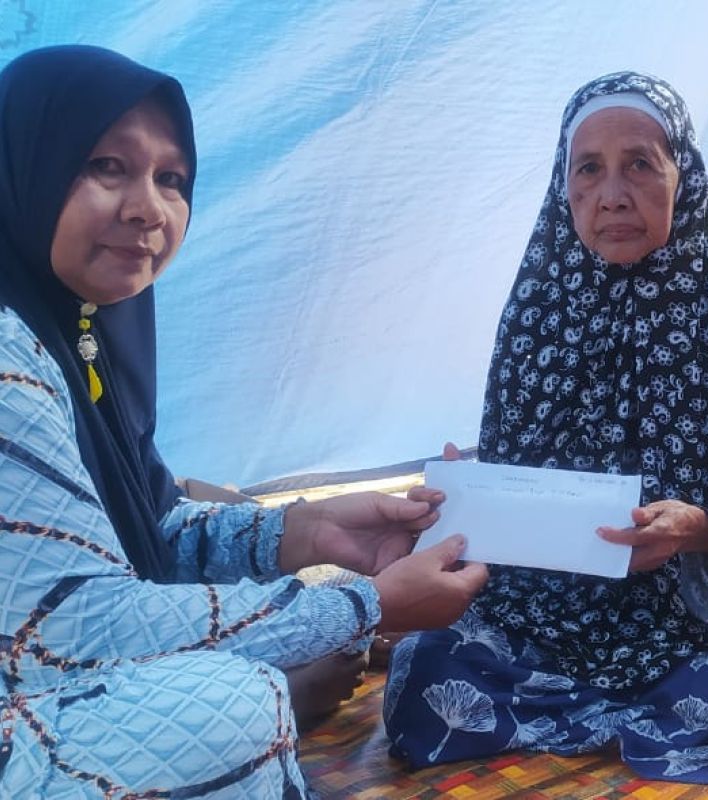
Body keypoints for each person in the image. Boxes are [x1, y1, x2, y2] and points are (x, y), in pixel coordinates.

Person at [383, 72, 708, 797]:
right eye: (588, 169)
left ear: (680, 175)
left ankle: (633, 713)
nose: (612, 193)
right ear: (564, 188)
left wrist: (697, 527)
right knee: (425, 672)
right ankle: (646, 719)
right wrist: (473, 496)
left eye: (639, 163)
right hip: (554, 623)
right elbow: (520, 490)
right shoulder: (537, 317)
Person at [0, 45, 488, 798]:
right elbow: (80, 626)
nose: (148, 208)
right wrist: (371, 604)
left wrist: (310, 533)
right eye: (107, 166)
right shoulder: (7, 357)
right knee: (234, 705)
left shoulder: (78, 333)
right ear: (24, 163)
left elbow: (148, 530)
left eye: (173, 180)